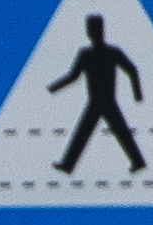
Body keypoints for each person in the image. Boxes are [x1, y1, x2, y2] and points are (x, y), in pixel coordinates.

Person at [46, 14, 147, 177]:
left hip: (105, 101)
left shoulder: (110, 52)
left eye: (94, 29)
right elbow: (73, 76)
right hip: (97, 101)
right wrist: (54, 87)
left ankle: (68, 165)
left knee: (112, 131)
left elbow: (132, 70)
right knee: (93, 132)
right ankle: (68, 165)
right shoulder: (86, 54)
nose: (93, 33)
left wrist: (137, 94)